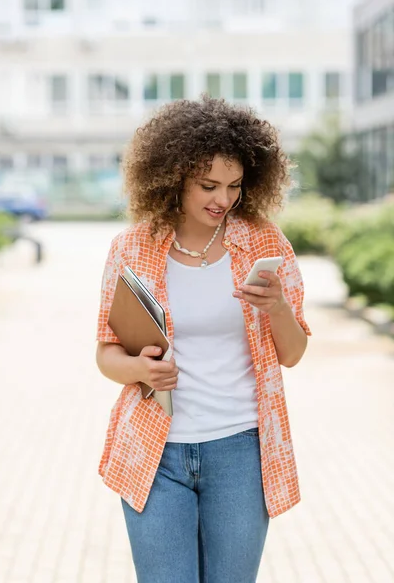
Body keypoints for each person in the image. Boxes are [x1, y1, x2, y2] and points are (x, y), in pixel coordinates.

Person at [96, 96, 311, 583]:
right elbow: (105, 353)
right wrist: (139, 370)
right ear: (173, 177)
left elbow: (294, 354)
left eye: (235, 185)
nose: (224, 199)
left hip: (239, 451)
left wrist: (276, 305)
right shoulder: (131, 247)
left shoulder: (264, 243)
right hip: (157, 452)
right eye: (208, 185)